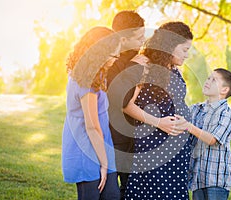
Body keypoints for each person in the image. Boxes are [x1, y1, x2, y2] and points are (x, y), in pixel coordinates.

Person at [123, 21, 193, 199]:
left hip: (177, 151)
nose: (187, 55)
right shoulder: (144, 65)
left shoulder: (174, 69)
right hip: (152, 148)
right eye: (185, 49)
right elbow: (126, 105)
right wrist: (159, 123)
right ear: (170, 45)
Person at [62, 26, 121, 200]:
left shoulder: (95, 75)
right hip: (86, 151)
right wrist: (103, 163)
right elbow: (92, 126)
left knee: (111, 195)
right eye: (113, 56)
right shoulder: (84, 80)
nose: (115, 60)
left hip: (101, 147)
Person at [176, 68, 231, 200]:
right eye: (208, 78)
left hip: (215, 179)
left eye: (213, 80)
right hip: (197, 177)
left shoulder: (225, 113)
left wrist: (188, 126)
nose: (207, 81)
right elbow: (179, 116)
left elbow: (211, 139)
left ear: (224, 90)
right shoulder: (197, 108)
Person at [106, 10, 147, 200]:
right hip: (115, 139)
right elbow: (121, 100)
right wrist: (135, 67)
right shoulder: (111, 64)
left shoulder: (138, 56)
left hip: (136, 138)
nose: (143, 40)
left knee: (131, 191)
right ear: (123, 39)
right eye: (139, 36)